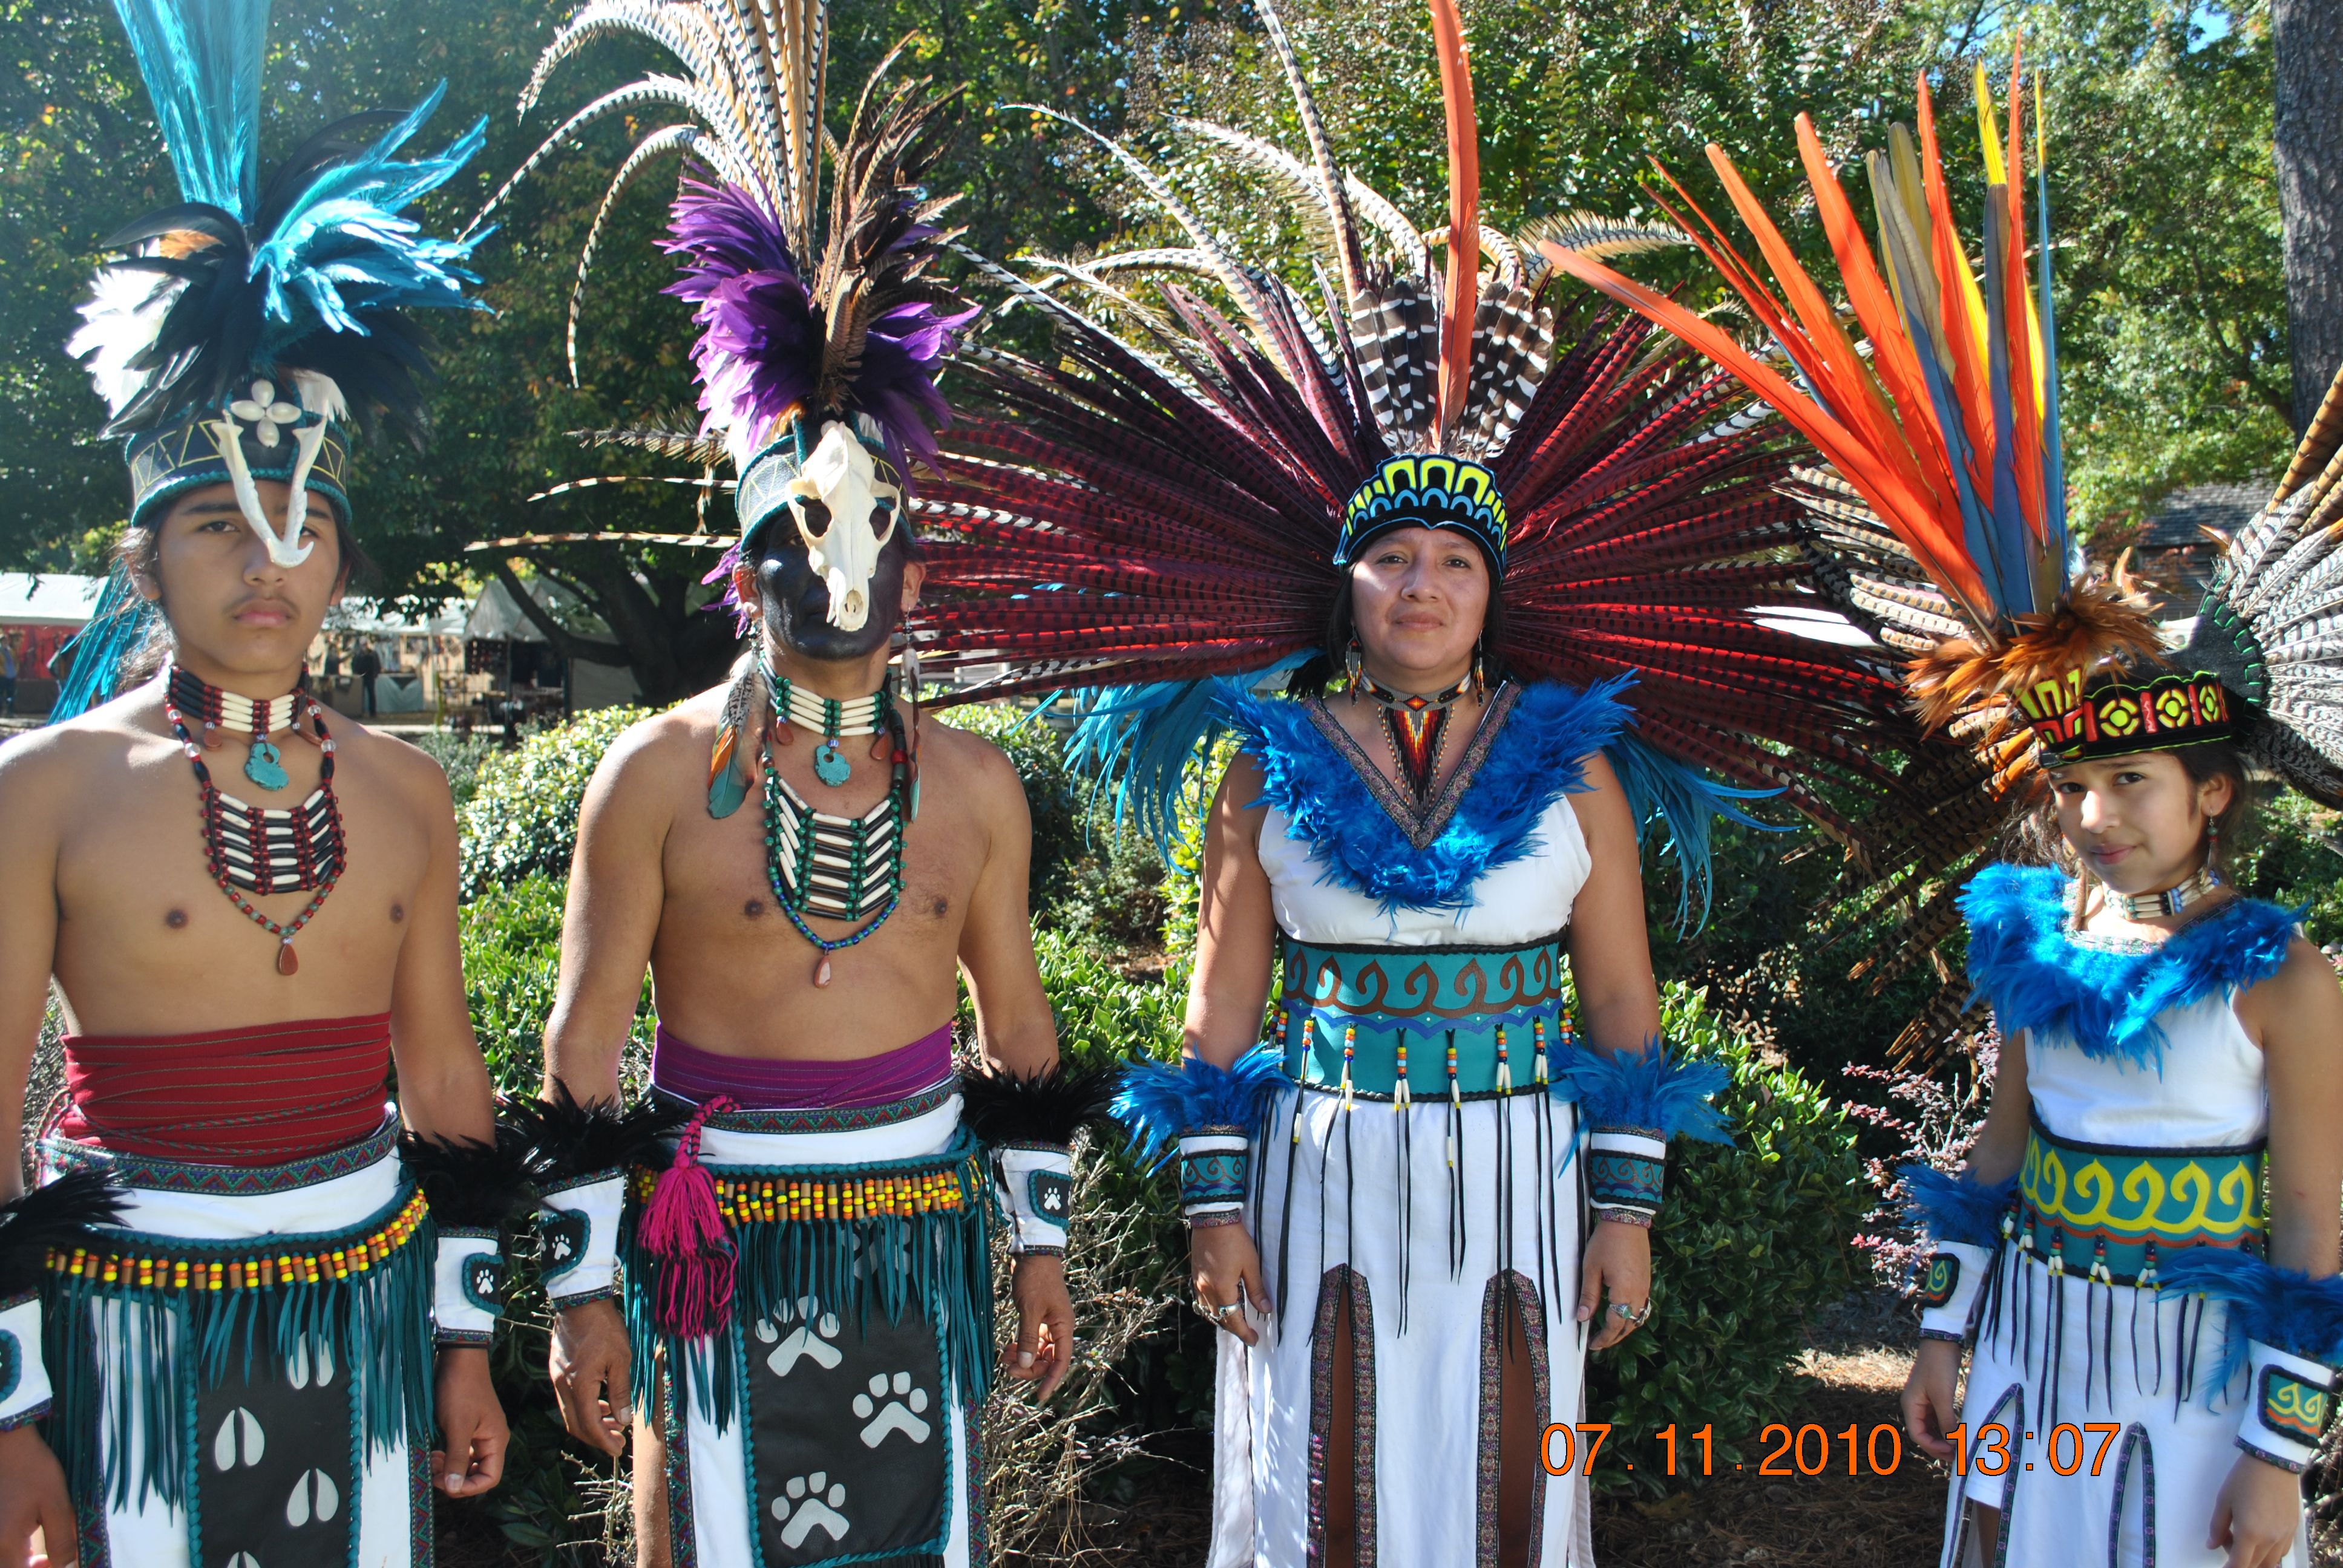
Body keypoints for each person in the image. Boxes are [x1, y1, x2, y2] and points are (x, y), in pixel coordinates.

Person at [860, 1, 1924, 1557]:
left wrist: (1623, 1212)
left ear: (1495, 592)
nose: (1421, 587)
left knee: (1507, 1483)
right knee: (1317, 1474)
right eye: (1390, 560)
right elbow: (1216, 1017)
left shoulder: (1579, 774)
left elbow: (1622, 1010)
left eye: (1451, 562)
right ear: (1344, 587)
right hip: (1319, 1174)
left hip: (1519, 1172)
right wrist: (1215, 1203)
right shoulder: (1265, 771)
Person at [1558, 60, 2343, 1568]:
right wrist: (1940, 1336)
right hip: (2033, 1354)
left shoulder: (2279, 973)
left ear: (2217, 792)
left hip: (2198, 1380)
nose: (2101, 812)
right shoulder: (2034, 942)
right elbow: (1996, 1161)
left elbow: (2314, 1230)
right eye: (2078, 783)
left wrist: (2280, 1459)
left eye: (2136, 784)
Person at [487, 10, 1100, 1565]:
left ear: (915, 558)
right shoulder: (653, 775)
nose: (840, 571)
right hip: (715, 1232)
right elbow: (581, 1047)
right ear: (747, 559)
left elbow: (1016, 1032)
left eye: (873, 535)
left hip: (910, 1226)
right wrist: (579, 1294)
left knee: (921, 1526)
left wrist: (1042, 1252)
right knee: (697, 1517)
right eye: (801, 537)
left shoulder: (972, 789)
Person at [0, 5, 523, 1564]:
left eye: (300, 526)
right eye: (219, 524)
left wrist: (468, 1343)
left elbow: (440, 1087)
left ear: (345, 553)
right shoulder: (47, 788)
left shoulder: (406, 790)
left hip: (365, 1316)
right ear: (146, 549)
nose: (267, 561)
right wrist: (13, 1419)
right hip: (126, 1330)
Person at [353, 639, 382, 717]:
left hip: (370, 676)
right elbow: (355, 665)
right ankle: (360, 711)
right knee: (360, 695)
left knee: (371, 694)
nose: (364, 646)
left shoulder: (373, 654)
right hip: (361, 677)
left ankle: (373, 712)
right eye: (363, 645)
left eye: (365, 644)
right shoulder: (359, 654)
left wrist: (376, 673)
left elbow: (377, 664)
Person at [1, 634, 18, 717]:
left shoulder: (11, 651)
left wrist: (15, 671)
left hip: (11, 675)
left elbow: (16, 662)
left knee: (11, 694)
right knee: (1, 694)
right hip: (2, 676)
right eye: (4, 641)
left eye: (6, 641)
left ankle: (10, 712)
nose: (5, 642)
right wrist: (3, 671)